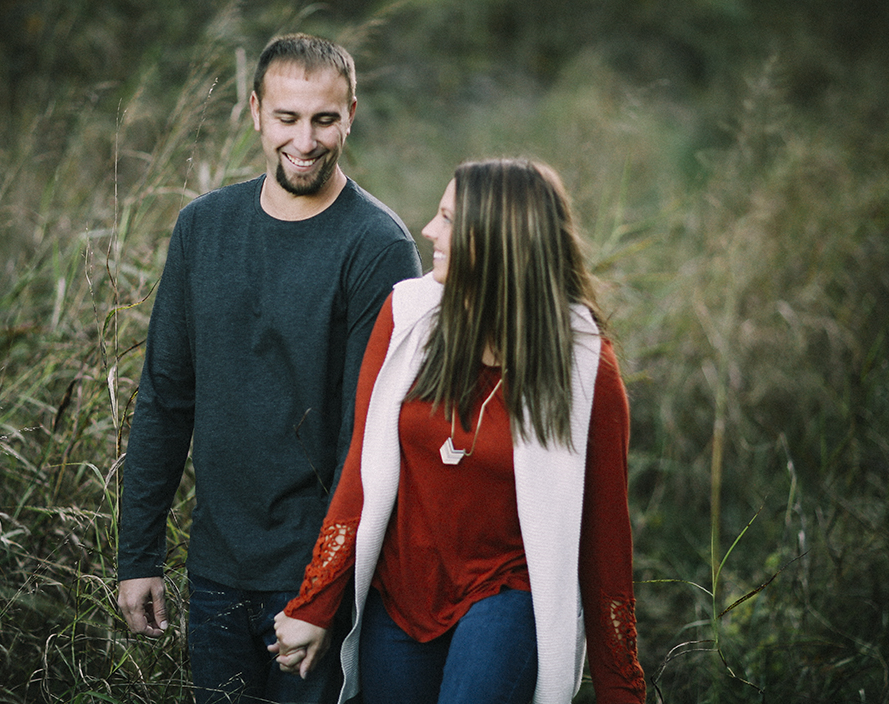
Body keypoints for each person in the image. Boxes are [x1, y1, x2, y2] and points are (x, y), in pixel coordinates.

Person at [268, 158, 646, 704]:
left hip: (507, 592)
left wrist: (620, 687)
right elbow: (362, 472)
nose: (429, 231)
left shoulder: (585, 367)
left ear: (496, 241)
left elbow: (606, 535)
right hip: (402, 593)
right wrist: (315, 604)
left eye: (448, 219)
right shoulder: (408, 317)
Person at [117, 33, 422, 704]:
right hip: (217, 569)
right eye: (288, 118)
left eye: (324, 119)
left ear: (350, 115)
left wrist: (320, 595)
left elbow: (367, 440)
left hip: (314, 576)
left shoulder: (377, 248)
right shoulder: (203, 228)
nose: (305, 141)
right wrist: (139, 556)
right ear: (255, 110)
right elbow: (166, 399)